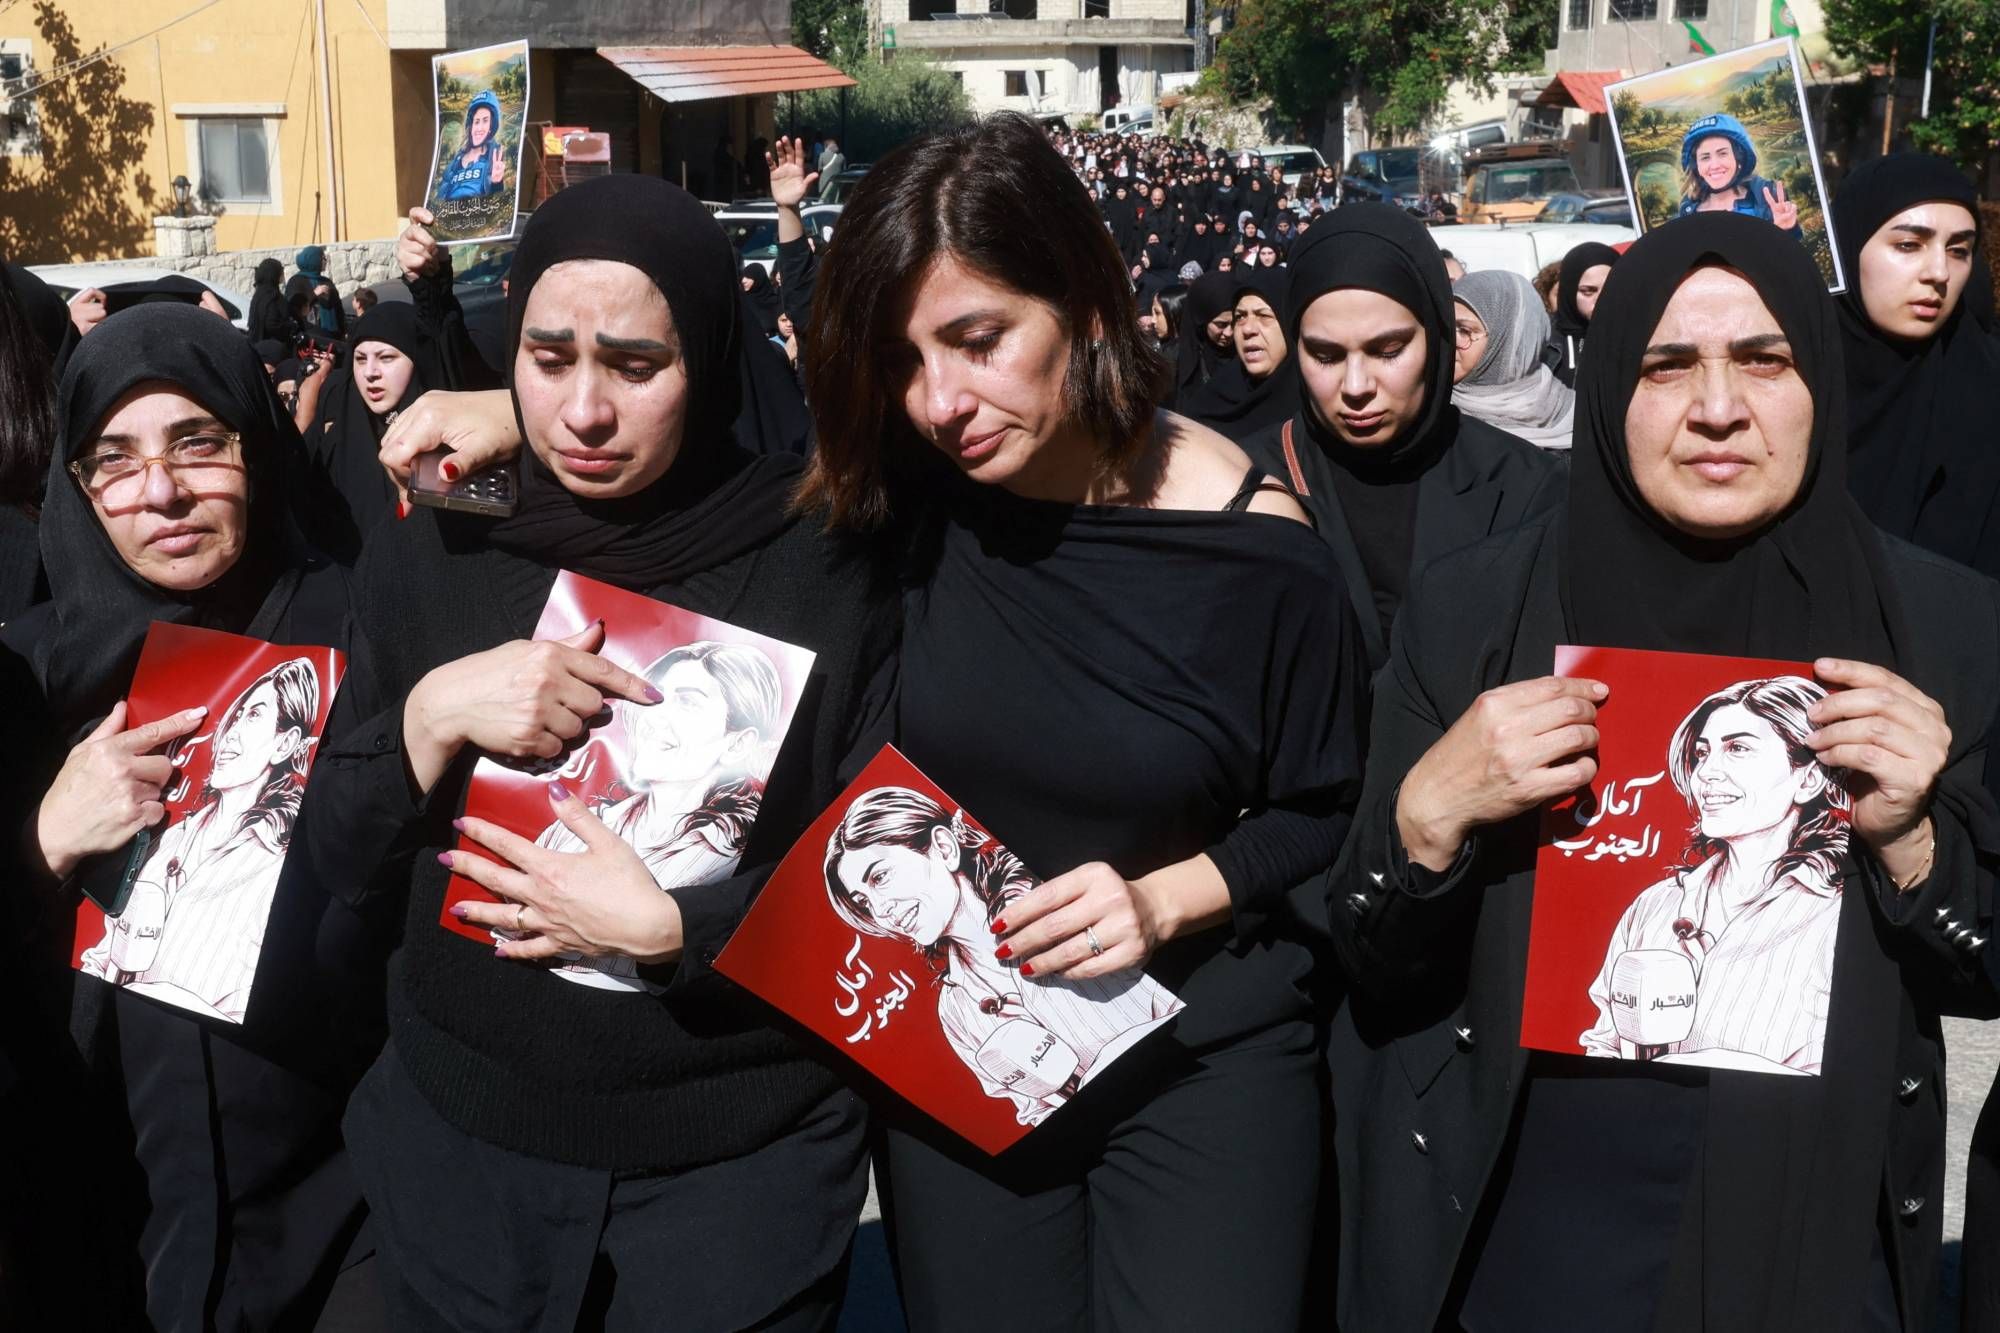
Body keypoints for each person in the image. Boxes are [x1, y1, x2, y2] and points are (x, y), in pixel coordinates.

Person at [1327, 211, 1999, 1333]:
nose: (1717, 408)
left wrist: (1913, 842)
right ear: (1606, 391)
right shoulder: (1477, 611)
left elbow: (1982, 975)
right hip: (1536, 1216)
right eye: (1666, 365)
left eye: (1765, 361)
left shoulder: (1938, 627)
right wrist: (1427, 822)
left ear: (1820, 383)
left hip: (1806, 1225)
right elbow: (1371, 961)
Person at [801, 110, 1366, 1333]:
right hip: (963, 1060)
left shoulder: (1257, 554)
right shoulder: (905, 505)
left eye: (977, 340)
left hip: (1203, 1059)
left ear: (1085, 303)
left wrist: (1164, 899)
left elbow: (1325, 808)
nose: (939, 400)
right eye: (901, 360)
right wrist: (495, 416)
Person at [320, 172, 899, 1331]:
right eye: (546, 359)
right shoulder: (440, 541)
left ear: (711, 358)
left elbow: (884, 888)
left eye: (636, 366)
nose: (583, 412)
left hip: (736, 1184)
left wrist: (684, 930)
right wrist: (429, 717)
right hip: (458, 1167)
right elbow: (334, 847)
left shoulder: (829, 564)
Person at [0, 303, 384, 1330]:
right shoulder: (30, 680)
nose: (161, 491)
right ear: (78, 486)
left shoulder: (361, 640)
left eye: (197, 443)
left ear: (257, 446)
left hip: (338, 1226)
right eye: (115, 460)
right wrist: (44, 844)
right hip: (103, 1230)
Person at [1241, 203, 1560, 673]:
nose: (1356, 386)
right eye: (1325, 355)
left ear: (1436, 338)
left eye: (1388, 351)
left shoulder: (1525, 485)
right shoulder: (1246, 481)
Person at [822, 786, 1180, 1128]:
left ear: (943, 847)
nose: (880, 910)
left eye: (880, 877)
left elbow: (1161, 1002)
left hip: (1177, 1078)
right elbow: (1029, 1113)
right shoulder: (955, 1009)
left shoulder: (1051, 904)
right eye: (863, 901)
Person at [1578, 675, 1849, 1072]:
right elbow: (1602, 1044)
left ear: (1808, 779)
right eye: (1702, 753)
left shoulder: (1838, 914)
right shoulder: (1654, 907)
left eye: (1737, 748)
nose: (1705, 773)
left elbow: (1854, 1077)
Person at [79, 656, 325, 1025]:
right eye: (237, 714)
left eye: (254, 715)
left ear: (285, 743)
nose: (231, 732)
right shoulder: (169, 838)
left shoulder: (275, 865)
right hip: (114, 1038)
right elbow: (105, 950)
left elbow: (268, 1007)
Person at [532, 639, 786, 991]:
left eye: (688, 703)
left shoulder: (728, 858)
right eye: (653, 697)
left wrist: (676, 930)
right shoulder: (576, 824)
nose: (655, 717)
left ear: (738, 743)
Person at [1831, 153, 1997, 579]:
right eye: (1908, 245)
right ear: (1848, 245)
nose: (1939, 272)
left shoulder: (1986, 388)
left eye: (1959, 250)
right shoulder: (1785, 374)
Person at [301, 301, 443, 563]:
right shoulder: (338, 415)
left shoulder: (444, 427)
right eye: (360, 359)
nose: (370, 373)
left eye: (386, 358)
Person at [1450, 267, 1576, 451]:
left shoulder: (1570, 412)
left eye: (1464, 330)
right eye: (1446, 326)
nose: (1449, 340)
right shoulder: (1431, 413)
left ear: (1510, 341)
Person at [1177, 266, 1297, 442]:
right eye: (1240, 316)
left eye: (1264, 315)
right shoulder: (1209, 404)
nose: (1247, 329)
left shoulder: (1320, 405)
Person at [1676, 113, 1802, 237]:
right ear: (1696, 166)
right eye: (1705, 157)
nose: (1714, 165)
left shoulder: (1765, 204)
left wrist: (1784, 231)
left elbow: (1791, 250)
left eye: (1722, 154)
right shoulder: (1688, 214)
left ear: (1739, 158)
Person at [1541, 240, 1618, 387]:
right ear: (1569, 291)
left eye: (1611, 289)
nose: (1601, 300)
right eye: (1588, 291)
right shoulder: (1543, 338)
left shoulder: (1636, 334)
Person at [437, 90, 509, 202]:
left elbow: (498, 204)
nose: (479, 128)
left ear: (491, 127)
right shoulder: (453, 165)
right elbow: (439, 201)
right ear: (470, 126)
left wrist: (497, 183)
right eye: (476, 122)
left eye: (485, 121)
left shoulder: (494, 161)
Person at [817, 136, 846, 202]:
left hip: (824, 182)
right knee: (835, 199)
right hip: (837, 182)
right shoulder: (842, 156)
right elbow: (844, 170)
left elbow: (819, 169)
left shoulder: (822, 155)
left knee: (823, 199)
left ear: (826, 146)